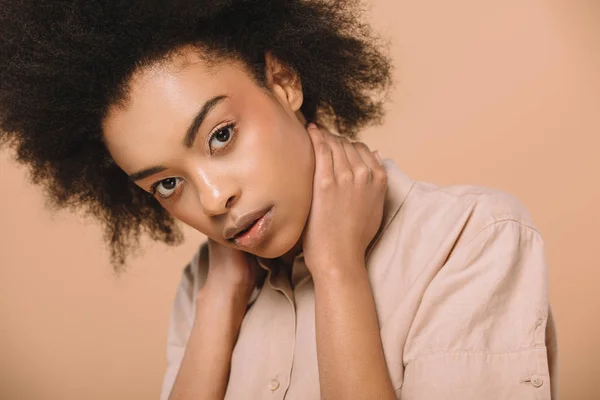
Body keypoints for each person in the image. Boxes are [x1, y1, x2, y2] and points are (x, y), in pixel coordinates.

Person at [0, 0, 557, 399]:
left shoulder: (469, 239)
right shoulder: (205, 287)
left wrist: (338, 270)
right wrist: (221, 297)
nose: (215, 200)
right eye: (167, 184)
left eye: (221, 135)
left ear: (284, 80)